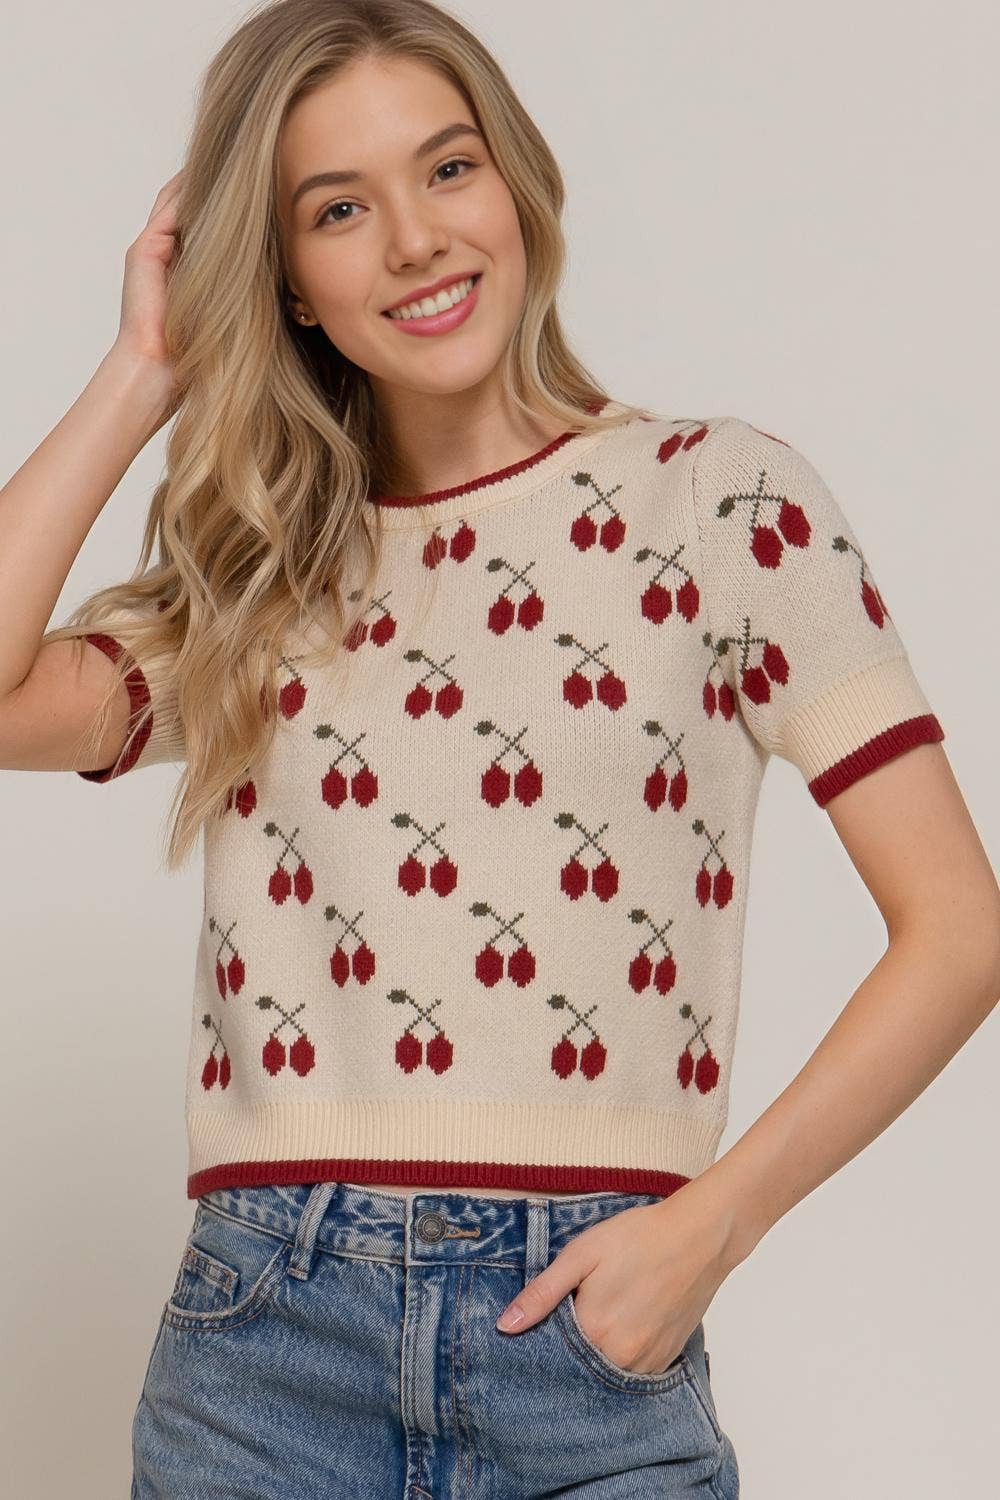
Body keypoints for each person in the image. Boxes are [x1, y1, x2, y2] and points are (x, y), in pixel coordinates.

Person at [2, 1, 997, 1495]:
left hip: (592, 1342)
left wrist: (715, 1224)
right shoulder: (264, 584)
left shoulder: (722, 505)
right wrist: (145, 368)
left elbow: (961, 928)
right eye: (339, 210)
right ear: (285, 284)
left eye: (449, 167)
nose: (415, 240)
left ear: (518, 184)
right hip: (265, 1354)